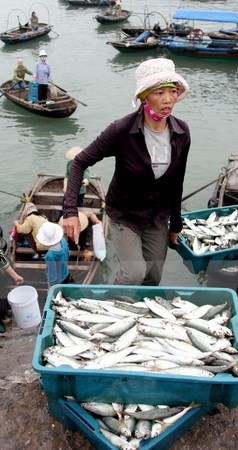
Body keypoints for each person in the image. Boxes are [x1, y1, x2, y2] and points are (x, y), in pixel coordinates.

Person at [61, 58, 191, 286]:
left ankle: (141, 314)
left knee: (153, 276)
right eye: (159, 92)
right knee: (133, 274)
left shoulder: (181, 132)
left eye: (172, 91)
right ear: (144, 97)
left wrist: (176, 225)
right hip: (125, 214)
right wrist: (70, 211)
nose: (168, 99)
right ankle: (116, 302)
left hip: (157, 216)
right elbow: (80, 162)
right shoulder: (122, 130)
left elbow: (177, 182)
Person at [37, 222, 74, 287]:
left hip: (58, 281)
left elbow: (52, 274)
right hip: (66, 273)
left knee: (58, 293)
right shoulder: (63, 240)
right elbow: (67, 254)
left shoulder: (50, 255)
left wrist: (50, 285)